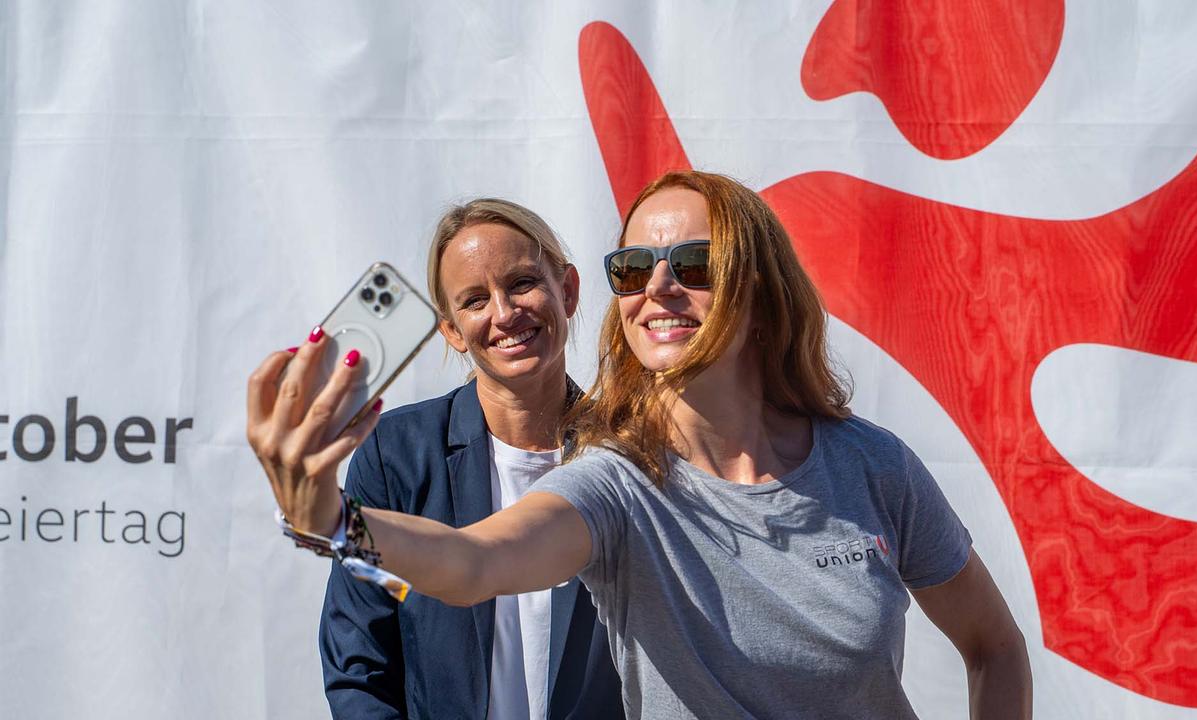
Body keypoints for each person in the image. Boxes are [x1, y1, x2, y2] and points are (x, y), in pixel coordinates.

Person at [249, 172, 1032, 719]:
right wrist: (333, 520)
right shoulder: (617, 480)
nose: (658, 287)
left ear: (757, 290)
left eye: (692, 264)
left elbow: (994, 646)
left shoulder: (873, 464)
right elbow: (471, 564)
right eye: (634, 267)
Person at [264, 199, 625, 719]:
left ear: (566, 290)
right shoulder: (399, 455)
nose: (504, 313)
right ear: (452, 330)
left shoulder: (628, 455)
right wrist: (324, 517)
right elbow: (359, 660)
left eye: (522, 282)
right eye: (476, 300)